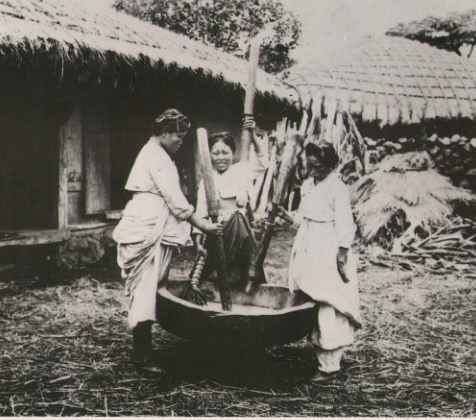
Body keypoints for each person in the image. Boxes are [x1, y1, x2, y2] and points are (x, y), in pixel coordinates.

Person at [112, 109, 222, 374]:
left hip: (155, 224)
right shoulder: (154, 155)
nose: (181, 141)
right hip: (147, 225)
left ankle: (145, 349)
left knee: (153, 286)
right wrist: (203, 225)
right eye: (178, 136)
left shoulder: (160, 154)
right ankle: (142, 356)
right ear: (164, 133)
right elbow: (174, 198)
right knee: (145, 288)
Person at [282, 140, 362, 381]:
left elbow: (346, 225)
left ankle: (329, 365)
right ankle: (320, 351)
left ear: (331, 165)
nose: (313, 171)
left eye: (319, 167)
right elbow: (304, 218)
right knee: (311, 297)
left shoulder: (337, 189)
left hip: (328, 247)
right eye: (310, 166)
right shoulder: (308, 185)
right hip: (309, 245)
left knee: (329, 302)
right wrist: (286, 216)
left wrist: (341, 257)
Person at [192, 118, 266, 287]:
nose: (221, 158)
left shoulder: (241, 170)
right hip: (217, 232)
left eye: (225, 152)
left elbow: (262, 161)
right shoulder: (207, 180)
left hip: (241, 233)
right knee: (211, 277)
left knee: (247, 274)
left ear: (233, 153)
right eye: (216, 153)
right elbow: (200, 213)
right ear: (209, 155)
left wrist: (254, 135)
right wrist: (197, 241)